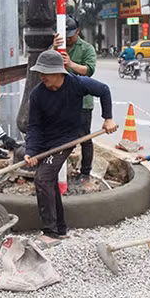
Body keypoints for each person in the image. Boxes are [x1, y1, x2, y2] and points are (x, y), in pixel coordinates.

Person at [24, 50, 118, 248]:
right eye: (40, 73)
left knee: (42, 178)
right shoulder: (38, 94)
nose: (42, 77)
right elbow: (34, 126)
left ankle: (50, 232)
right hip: (44, 143)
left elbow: (104, 90)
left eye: (46, 73)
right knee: (47, 180)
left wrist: (108, 118)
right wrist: (31, 151)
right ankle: (60, 229)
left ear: (59, 72)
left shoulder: (77, 83)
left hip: (65, 140)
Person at [53, 16, 97, 183]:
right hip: (61, 102)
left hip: (82, 103)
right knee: (60, 137)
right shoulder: (58, 47)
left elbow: (89, 70)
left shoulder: (86, 48)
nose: (68, 39)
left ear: (77, 32)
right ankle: (59, 170)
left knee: (84, 137)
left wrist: (70, 63)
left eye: (71, 36)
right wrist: (54, 48)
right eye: (66, 36)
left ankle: (85, 172)